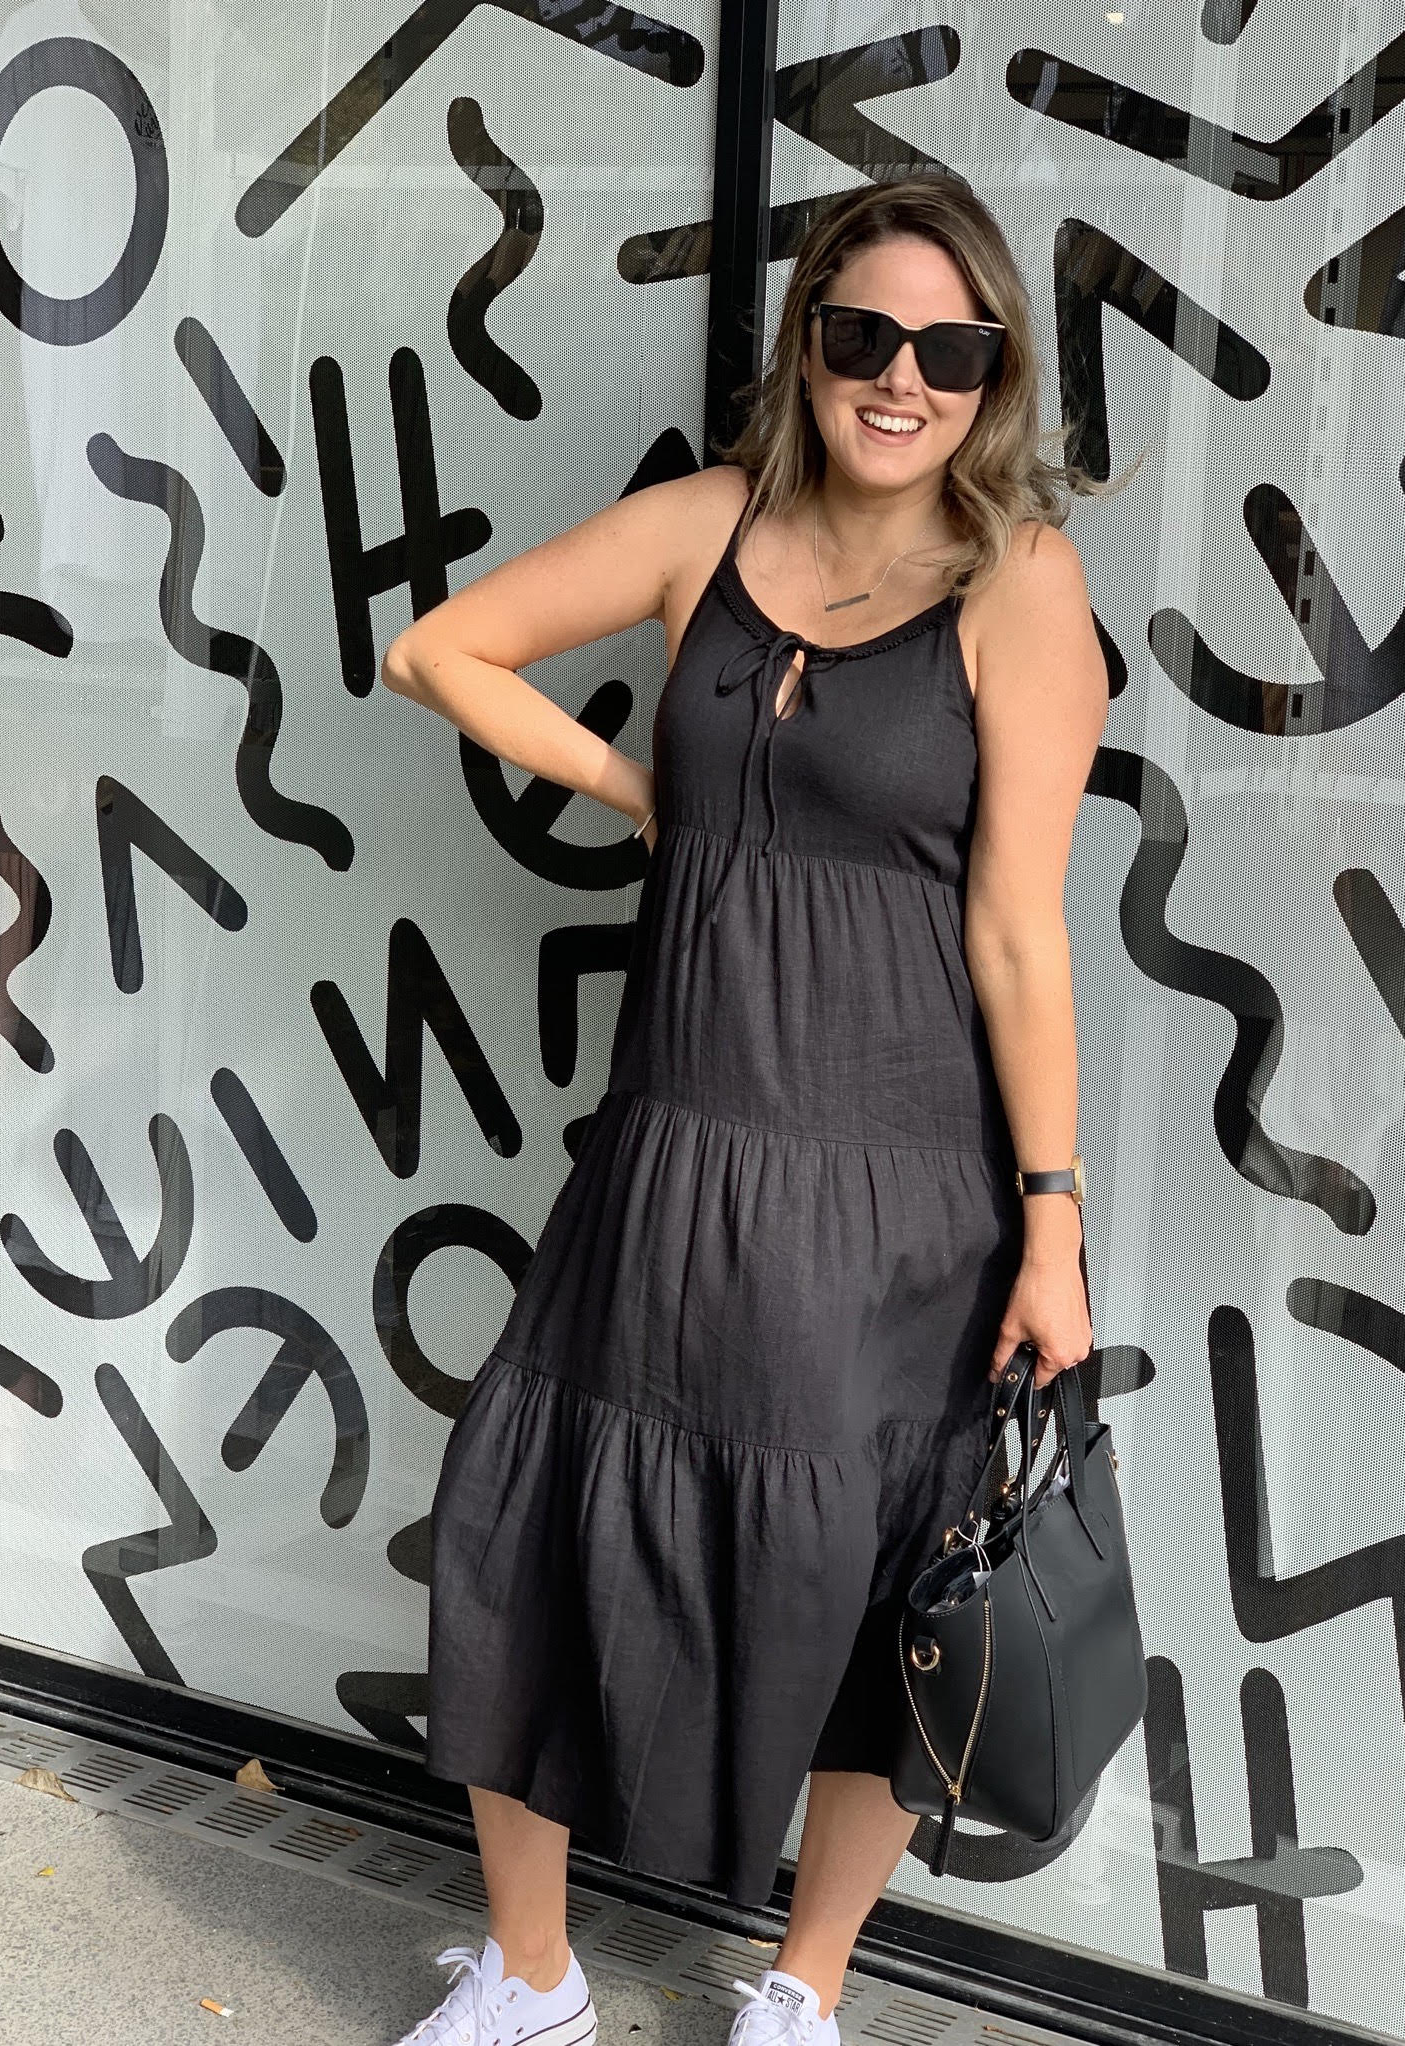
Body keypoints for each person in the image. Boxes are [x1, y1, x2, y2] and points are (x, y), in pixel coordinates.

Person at [380, 175, 1107, 2046]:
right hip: (674, 1144)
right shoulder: (708, 526)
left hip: (898, 1192)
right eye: (863, 333)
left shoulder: (1019, 583)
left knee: (886, 1589)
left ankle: (803, 1988)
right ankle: (535, 1977)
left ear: (995, 375)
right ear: (807, 340)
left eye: (950, 349)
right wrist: (644, 790)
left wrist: (1052, 1222)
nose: (901, 378)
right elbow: (437, 649)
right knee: (532, 1526)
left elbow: (1018, 933)